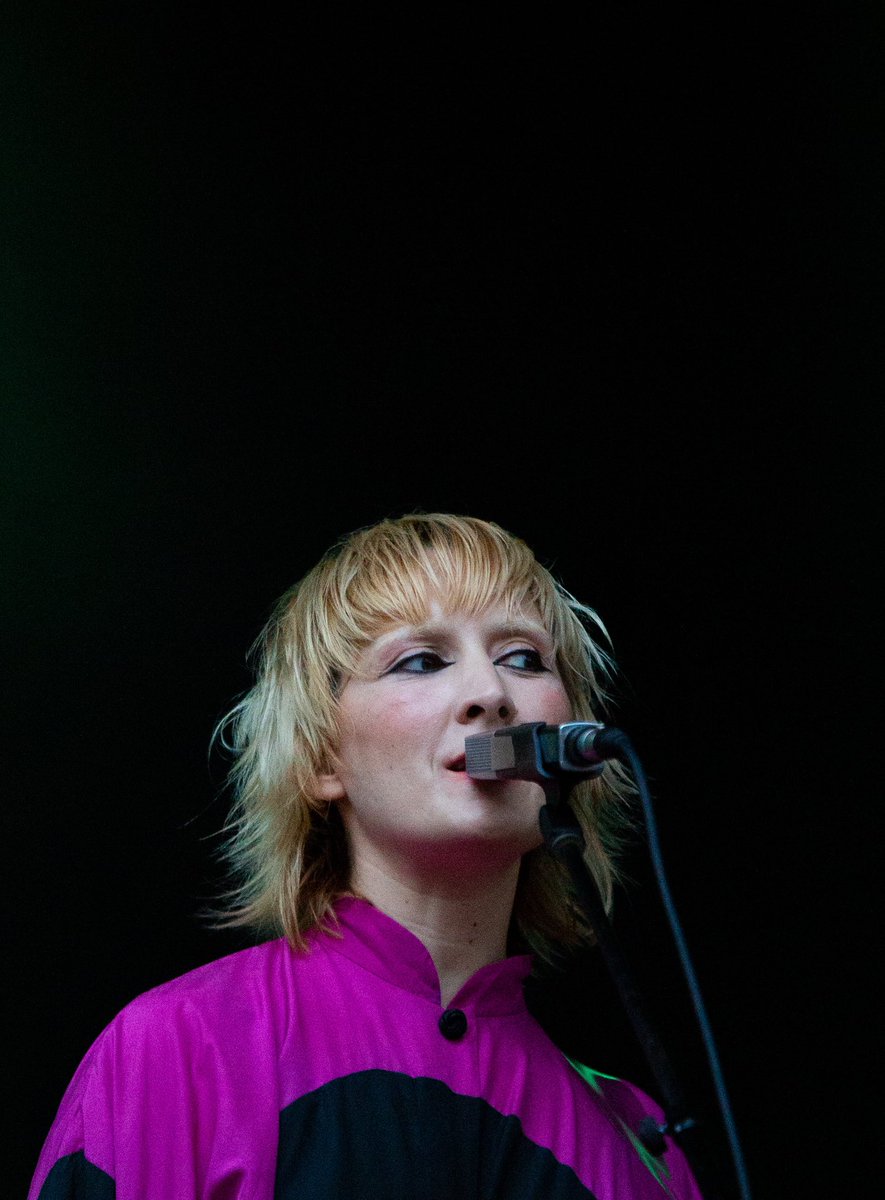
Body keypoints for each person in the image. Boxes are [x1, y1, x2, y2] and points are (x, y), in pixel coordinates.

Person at [29, 513, 703, 1199]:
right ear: (323, 759)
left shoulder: (639, 1140)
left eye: (523, 658)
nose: (490, 694)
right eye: (421, 660)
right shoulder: (178, 1049)